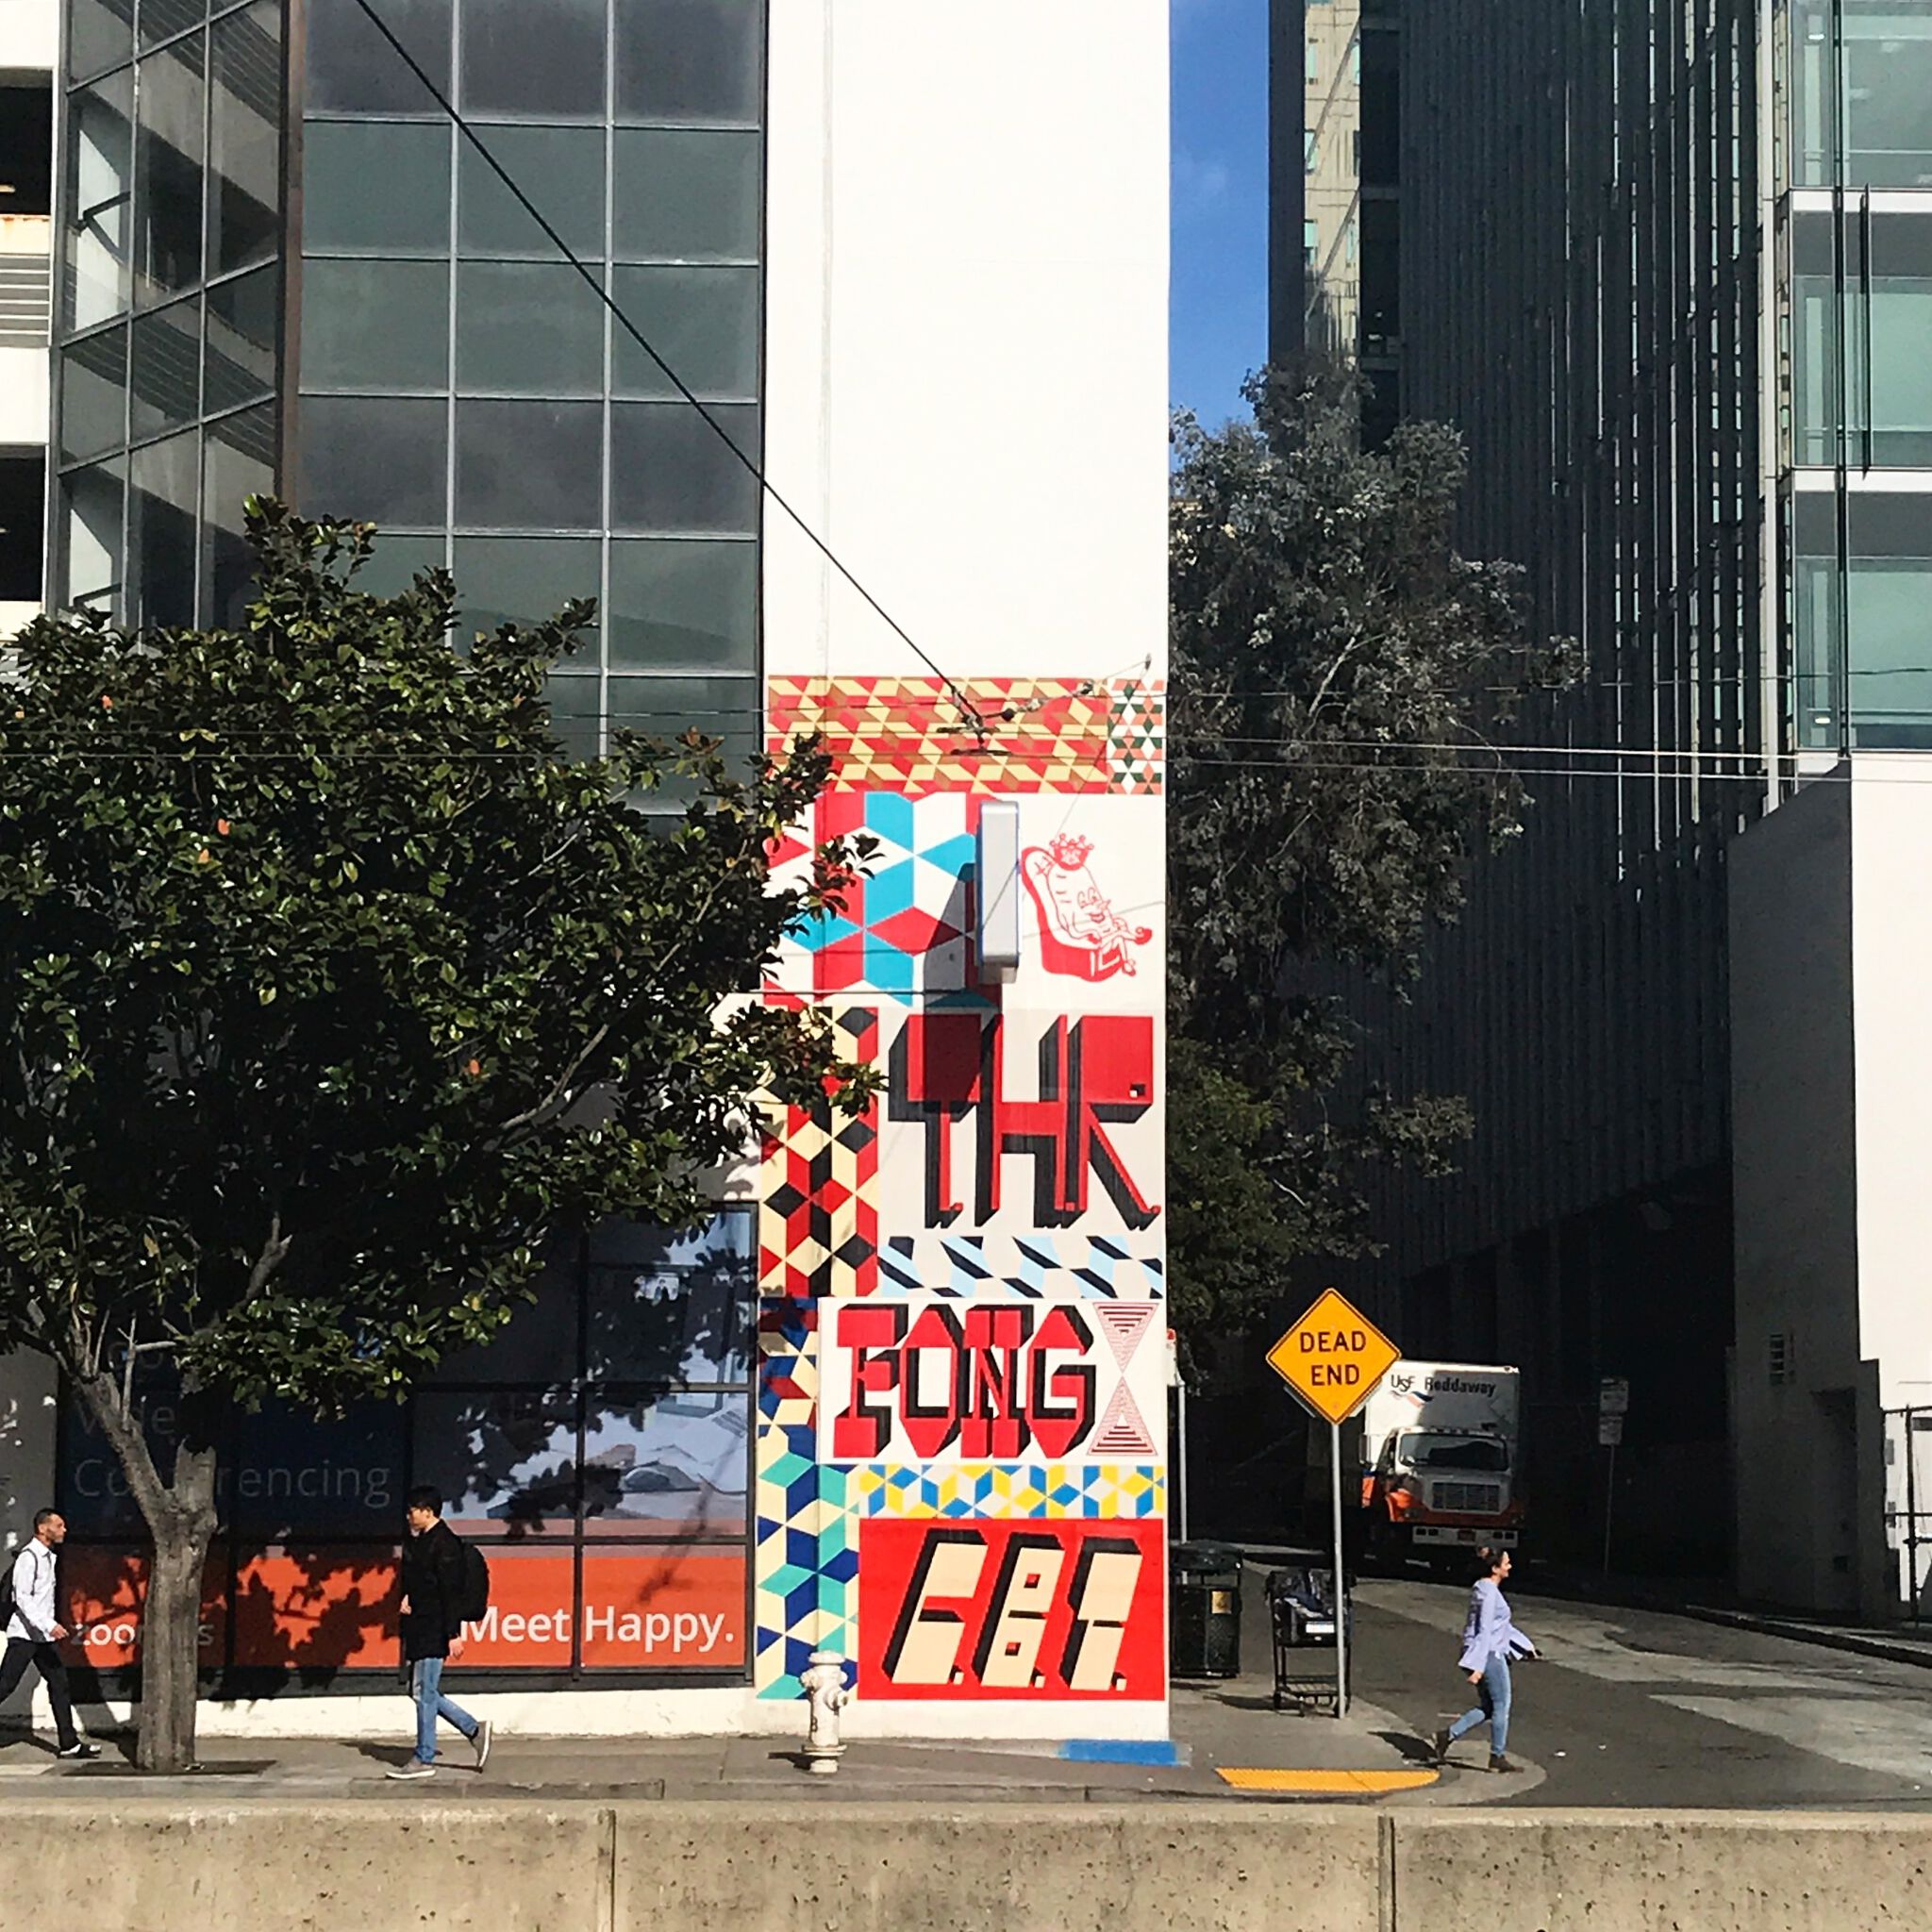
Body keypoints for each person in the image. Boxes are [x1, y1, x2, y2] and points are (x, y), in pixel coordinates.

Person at [387, 1486, 490, 1780]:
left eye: (413, 1510)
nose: (409, 1515)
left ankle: (424, 1756)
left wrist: (453, 1633)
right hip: (422, 1626)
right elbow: (423, 1583)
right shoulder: (424, 1542)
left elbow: (449, 1593)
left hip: (434, 1628)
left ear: (427, 1512)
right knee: (421, 1691)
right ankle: (473, 1729)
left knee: (424, 1692)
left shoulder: (444, 1545)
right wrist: (409, 1597)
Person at [1, 1509, 100, 1759]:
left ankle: (69, 1744)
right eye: (59, 1525)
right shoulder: (29, 1557)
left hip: (42, 1637)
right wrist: (49, 1624)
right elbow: (22, 1598)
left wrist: (48, 1627)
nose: (64, 1530)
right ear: (44, 1529)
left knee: (59, 1684)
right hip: (25, 1634)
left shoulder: (48, 1557)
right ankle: (69, 1743)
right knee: (5, 1685)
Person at [1433, 1544, 1538, 1774]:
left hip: (1487, 1651)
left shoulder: (1486, 1590)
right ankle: (1497, 1756)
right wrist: (1478, 1667)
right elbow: (1485, 1630)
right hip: (1489, 1654)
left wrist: (1526, 1647)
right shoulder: (1489, 1593)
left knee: (1489, 1707)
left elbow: (1502, 1628)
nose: (1510, 1566)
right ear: (1495, 1568)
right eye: (1506, 1563)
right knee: (1502, 1705)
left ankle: (1447, 1735)